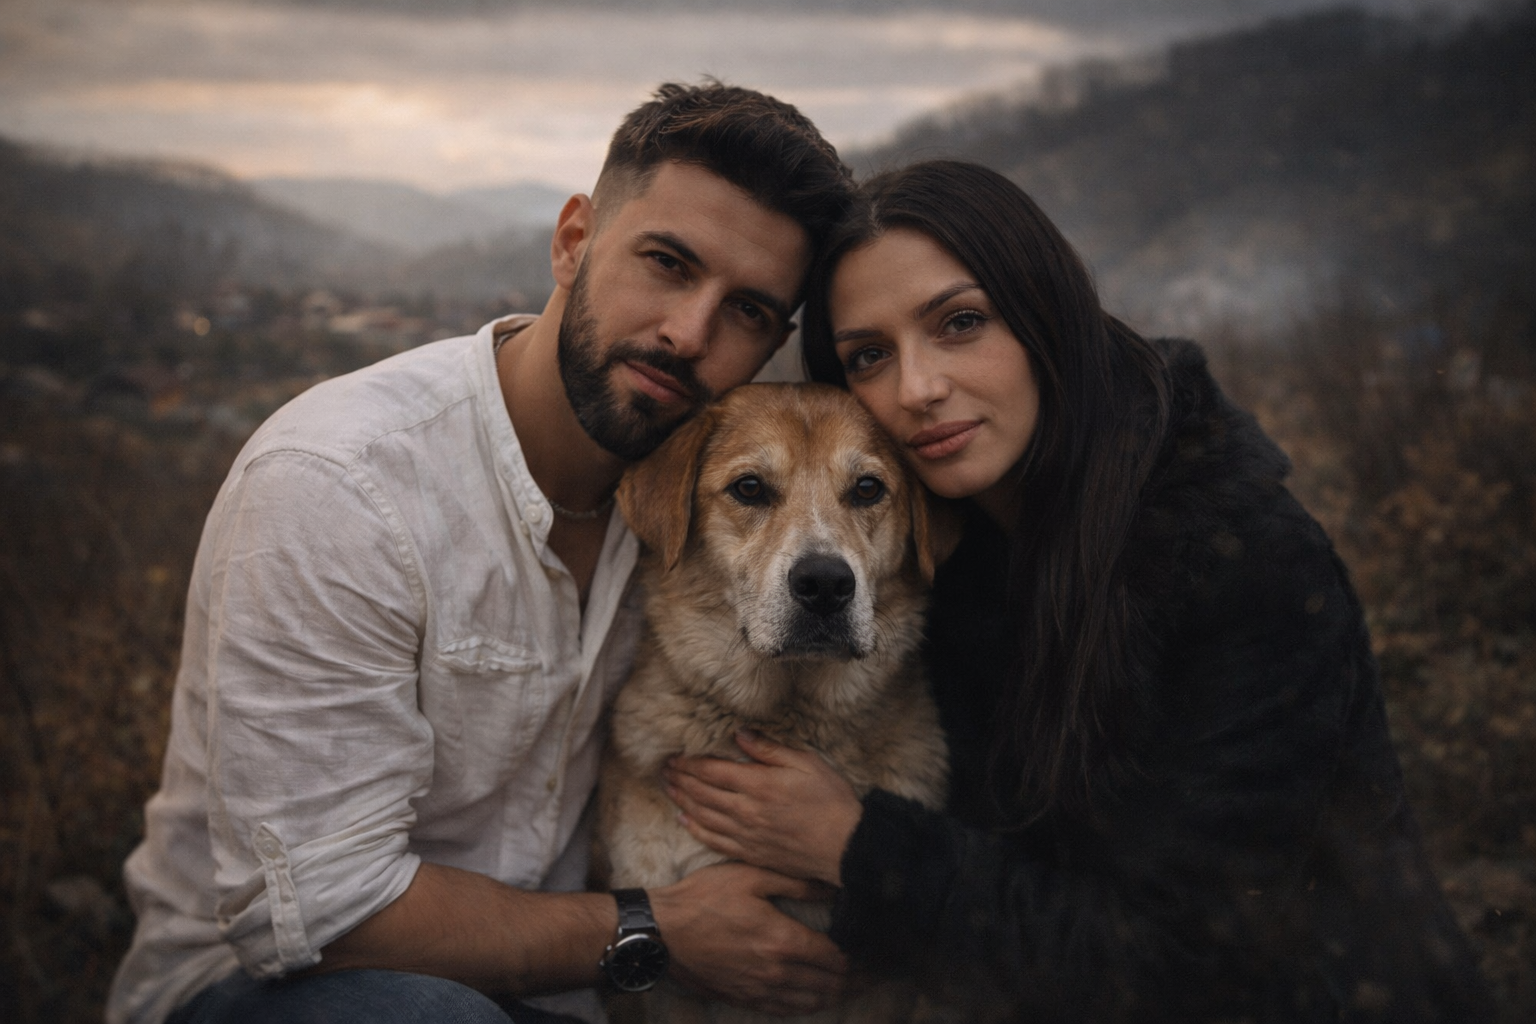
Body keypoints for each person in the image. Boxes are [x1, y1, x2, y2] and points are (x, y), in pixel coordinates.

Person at [662, 160, 1495, 1022]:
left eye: (960, 323)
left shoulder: (1243, 565)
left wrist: (860, 845)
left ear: (1045, 314)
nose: (917, 388)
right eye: (869, 354)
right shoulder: (942, 539)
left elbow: (1186, 963)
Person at [107, 82, 856, 1024]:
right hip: (275, 994)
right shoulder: (340, 486)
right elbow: (314, 917)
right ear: (574, 239)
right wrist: (656, 927)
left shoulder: (713, 501)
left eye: (747, 310)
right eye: (666, 262)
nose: (689, 332)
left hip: (556, 992)